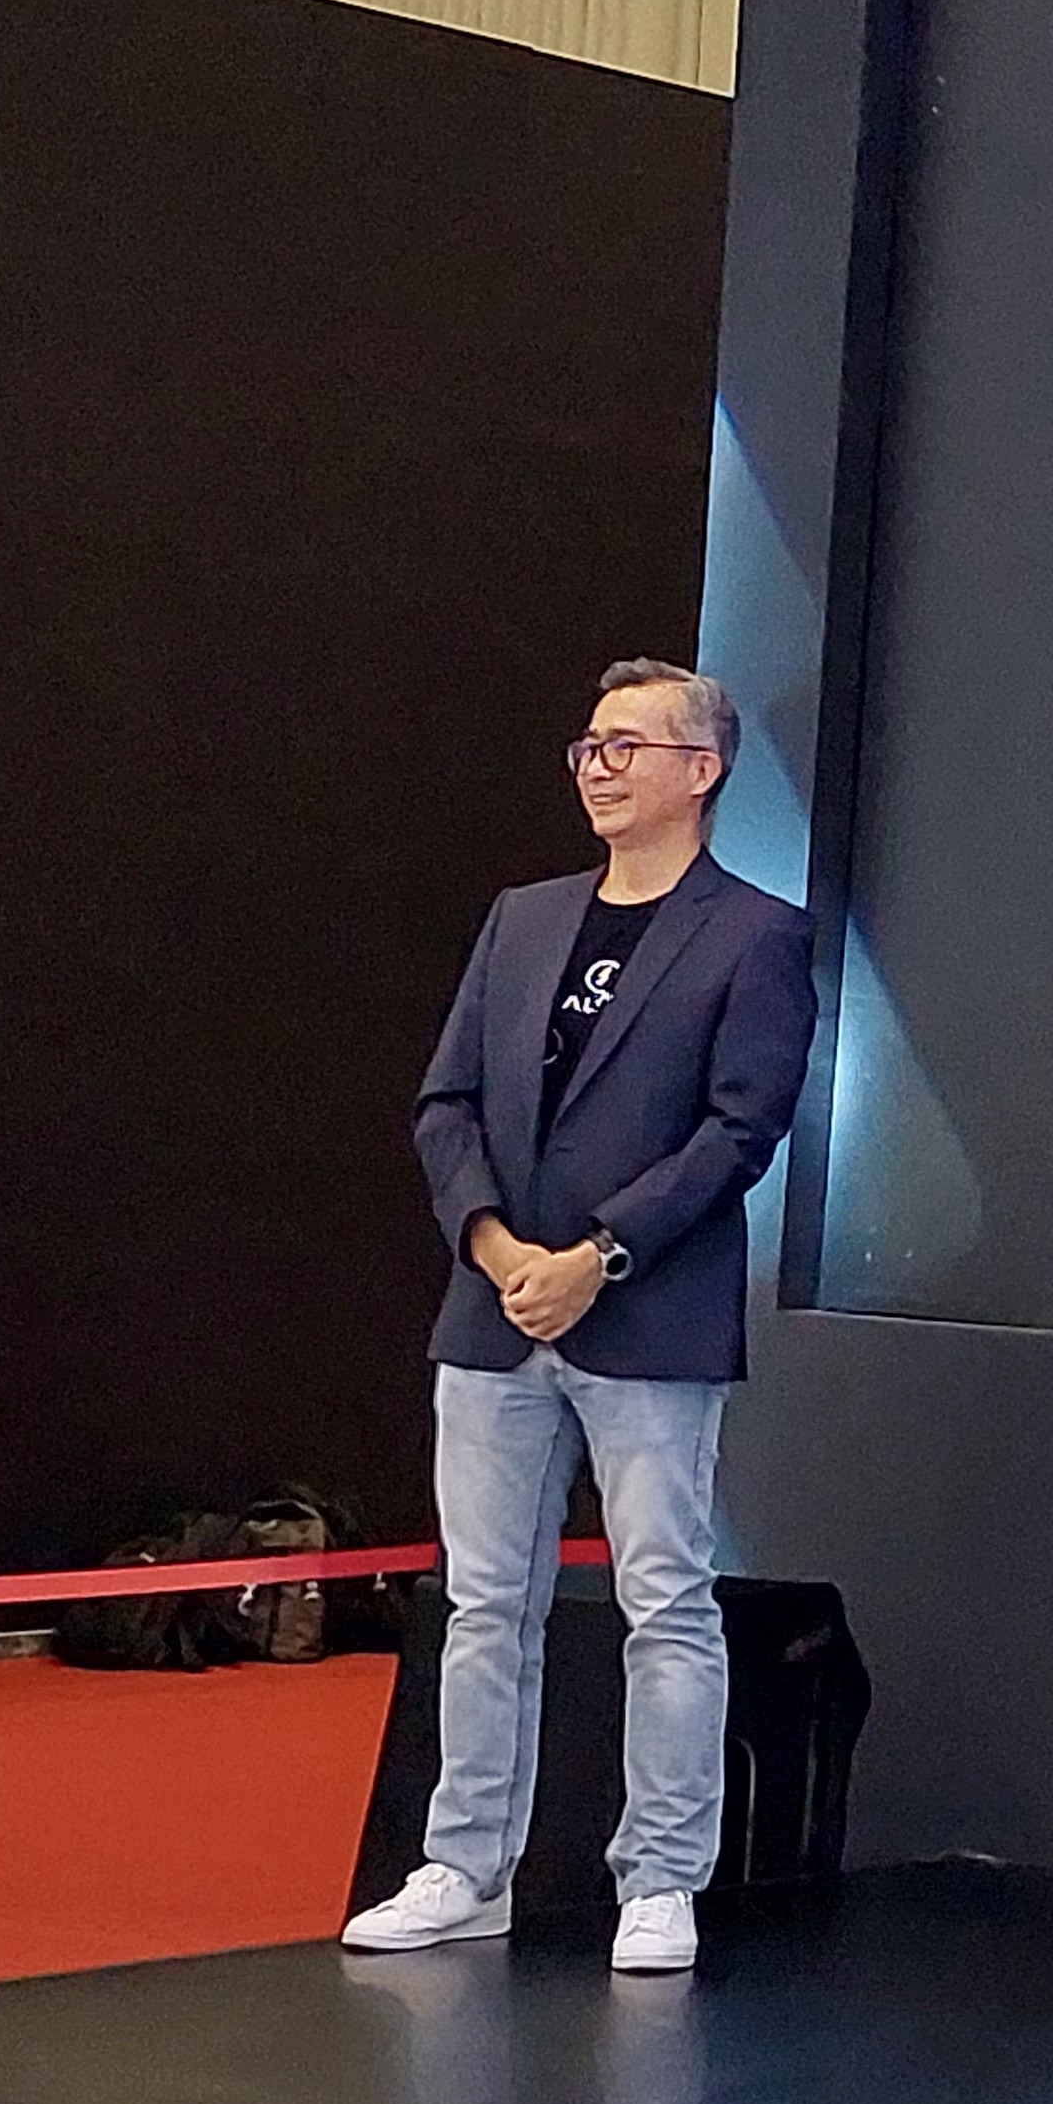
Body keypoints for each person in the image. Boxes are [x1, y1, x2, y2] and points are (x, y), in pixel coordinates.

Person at [344, 661, 816, 1976]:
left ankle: (660, 1878)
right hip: (495, 1312)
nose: (598, 768)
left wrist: (598, 1257)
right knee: (483, 1604)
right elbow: (445, 1104)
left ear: (701, 770)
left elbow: (740, 1130)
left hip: (649, 1320)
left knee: (664, 1599)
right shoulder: (523, 918)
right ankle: (464, 1866)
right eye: (589, 748)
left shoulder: (756, 936)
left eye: (626, 746)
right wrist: (498, 1247)